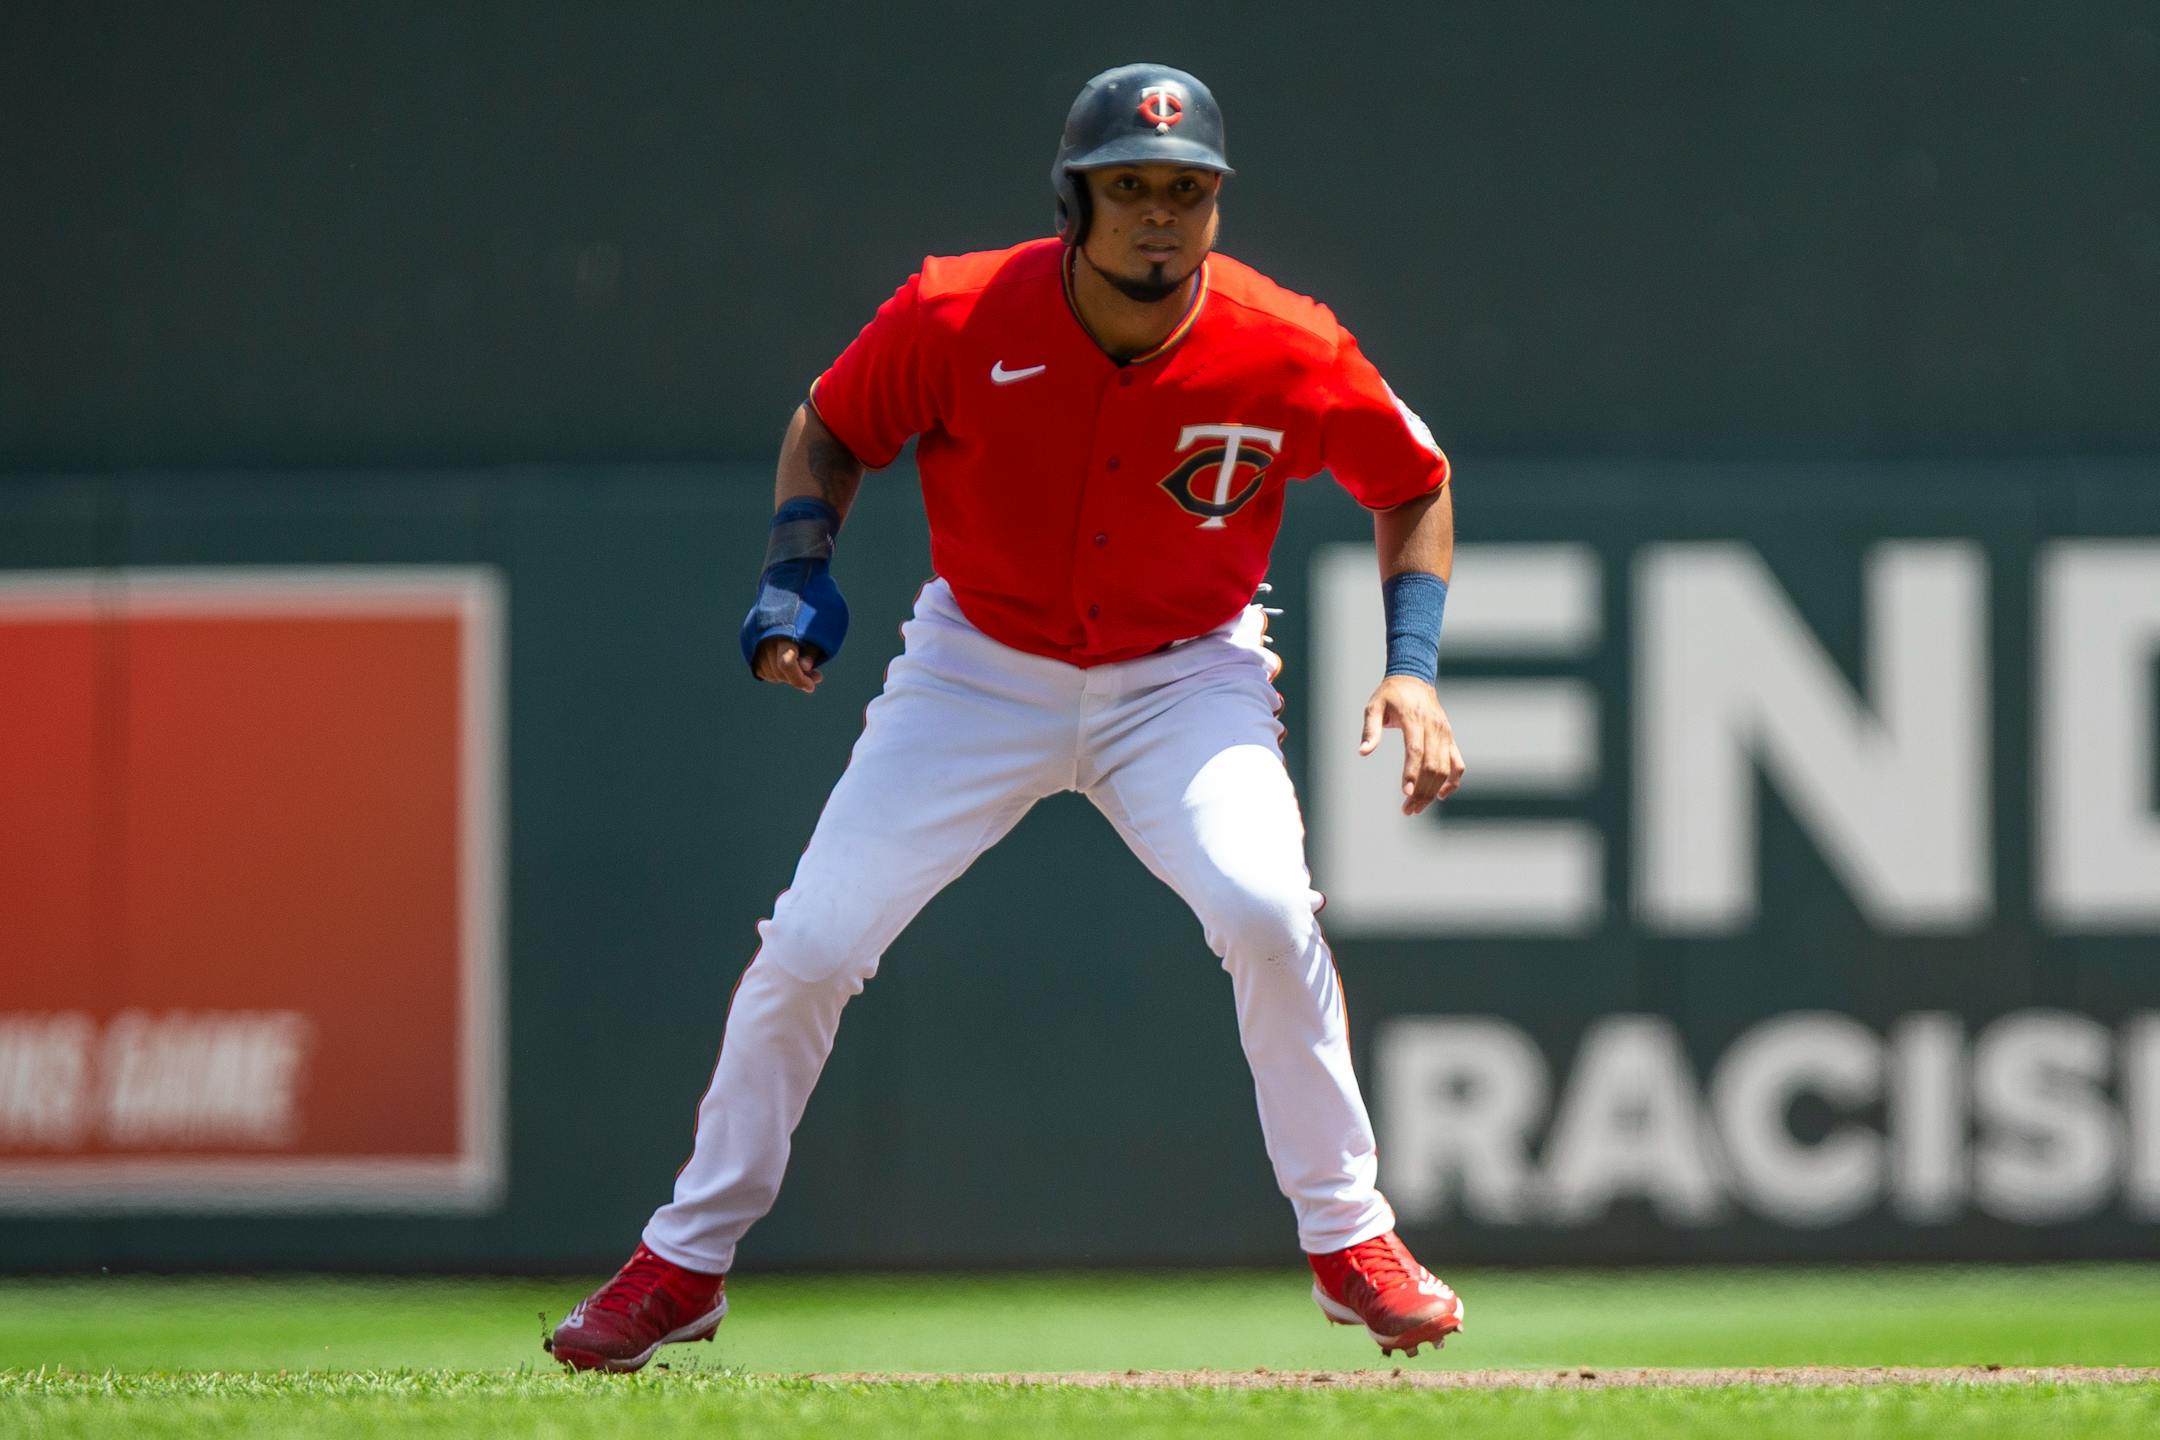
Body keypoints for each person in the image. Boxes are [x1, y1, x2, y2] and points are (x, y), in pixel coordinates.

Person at [547, 62, 1466, 1374]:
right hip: (979, 665)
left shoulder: (1287, 342)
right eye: (1130, 188)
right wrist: (796, 572)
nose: (1161, 214)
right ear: (1073, 201)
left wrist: (1413, 664)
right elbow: (833, 423)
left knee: (1266, 911)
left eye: (1187, 190)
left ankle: (1349, 1238)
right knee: (810, 943)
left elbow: (1412, 482)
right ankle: (684, 1263)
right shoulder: (959, 310)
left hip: (1183, 674)